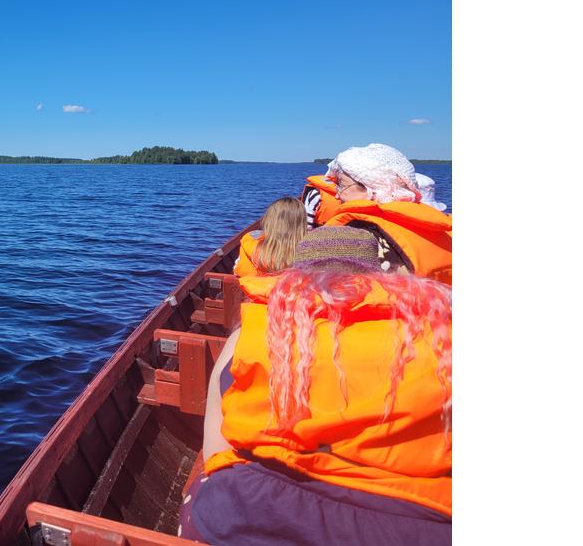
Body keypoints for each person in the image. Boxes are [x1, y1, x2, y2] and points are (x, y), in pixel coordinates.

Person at [187, 226, 452, 545]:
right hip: (413, 524)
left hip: (253, 512)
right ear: (377, 273)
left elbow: (215, 455)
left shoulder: (248, 335)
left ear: (294, 273)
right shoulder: (440, 338)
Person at [300, 143, 452, 284]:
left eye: (341, 186)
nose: (337, 195)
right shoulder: (438, 234)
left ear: (370, 189)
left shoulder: (355, 238)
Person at [233, 197, 308, 302]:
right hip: (293, 308)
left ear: (268, 221)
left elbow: (238, 273)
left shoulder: (250, 246)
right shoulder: (310, 253)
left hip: (256, 308)